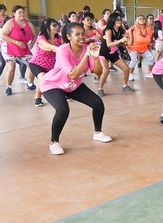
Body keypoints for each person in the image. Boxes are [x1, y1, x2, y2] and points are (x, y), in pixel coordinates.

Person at [37, 22, 112, 155]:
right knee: (63, 109)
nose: (81, 37)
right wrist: (87, 55)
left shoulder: (87, 48)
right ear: (69, 36)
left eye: (83, 33)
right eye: (77, 34)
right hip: (53, 84)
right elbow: (73, 74)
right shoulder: (63, 50)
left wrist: (95, 57)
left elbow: (98, 72)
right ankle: (54, 142)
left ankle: (98, 133)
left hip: (73, 85)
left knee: (97, 103)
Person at [0, 5, 36, 96]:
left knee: (32, 64)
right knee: (11, 66)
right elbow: (3, 35)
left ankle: (30, 83)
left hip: (23, 48)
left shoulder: (29, 24)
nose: (22, 14)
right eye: (19, 12)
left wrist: (32, 43)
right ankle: (8, 87)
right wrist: (16, 42)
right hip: (9, 47)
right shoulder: (10, 23)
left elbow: (35, 35)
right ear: (14, 14)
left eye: (23, 12)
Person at [96, 12, 134, 95]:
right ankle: (100, 88)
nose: (119, 21)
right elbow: (108, 44)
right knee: (106, 71)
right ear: (113, 20)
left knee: (126, 68)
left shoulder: (121, 31)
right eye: (117, 19)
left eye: (120, 19)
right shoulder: (109, 30)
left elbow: (130, 43)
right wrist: (121, 40)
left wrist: (131, 33)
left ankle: (125, 85)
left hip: (113, 53)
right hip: (104, 53)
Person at [28, 18, 63, 106]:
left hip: (52, 66)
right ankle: (38, 98)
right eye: (54, 25)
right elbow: (50, 47)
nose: (57, 27)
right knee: (43, 77)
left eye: (57, 25)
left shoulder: (59, 39)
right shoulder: (41, 38)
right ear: (47, 28)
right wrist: (64, 51)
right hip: (37, 64)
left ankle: (64, 94)